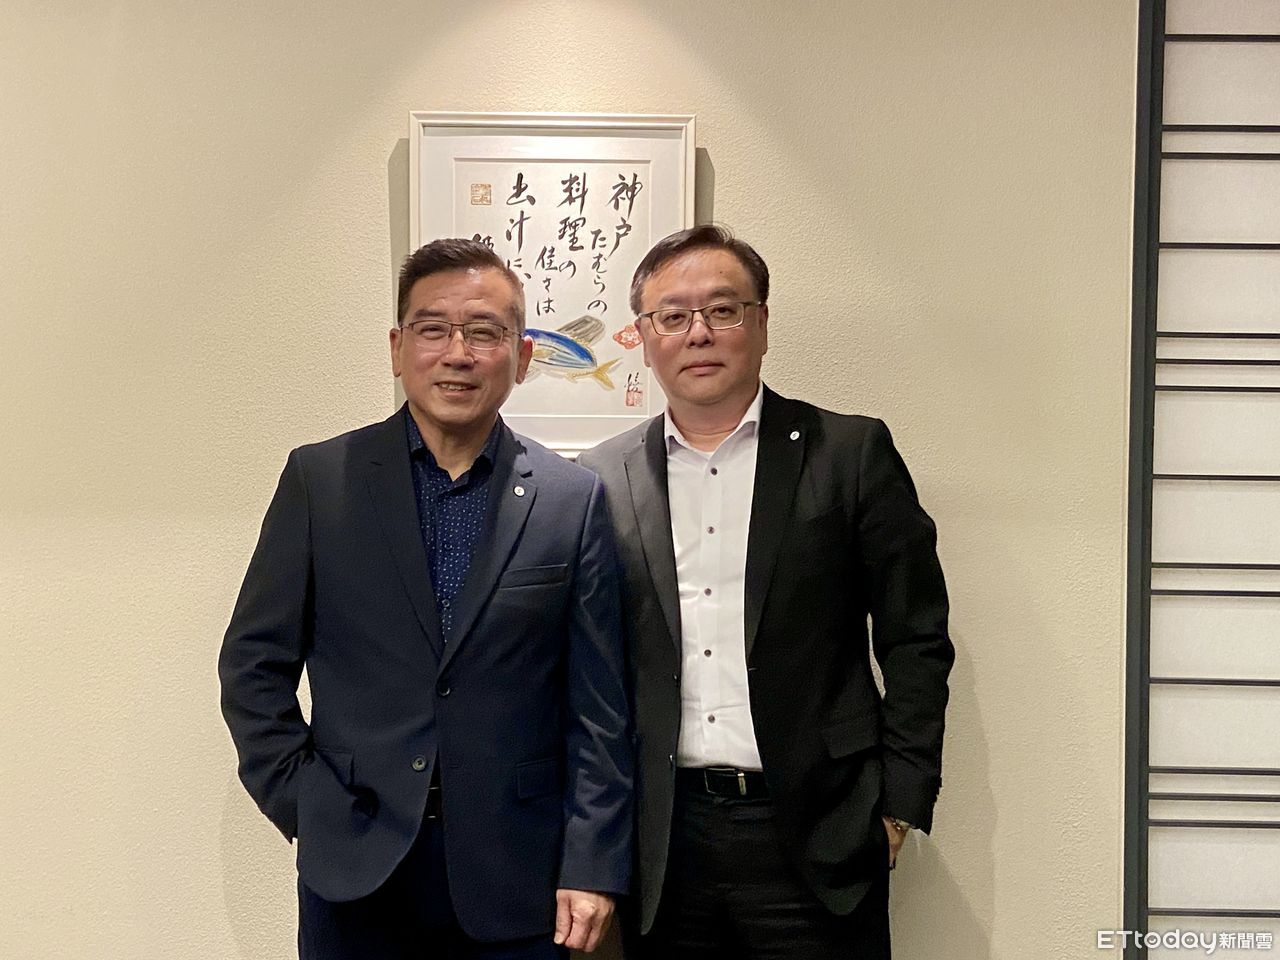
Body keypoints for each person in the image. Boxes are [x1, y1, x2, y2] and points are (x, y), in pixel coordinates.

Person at [219, 238, 632, 960]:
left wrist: (591, 862)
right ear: (397, 348)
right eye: (433, 329)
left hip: (520, 875)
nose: (457, 354)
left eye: (484, 332)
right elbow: (253, 666)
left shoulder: (572, 499)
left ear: (522, 357)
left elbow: (599, 706)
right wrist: (307, 806)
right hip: (356, 868)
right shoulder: (322, 481)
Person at [577, 225, 953, 959]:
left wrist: (899, 806)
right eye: (672, 316)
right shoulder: (601, 477)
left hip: (819, 830)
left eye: (723, 309)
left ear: (762, 322)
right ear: (644, 337)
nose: (699, 333)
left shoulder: (849, 453)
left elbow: (916, 637)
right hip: (664, 842)